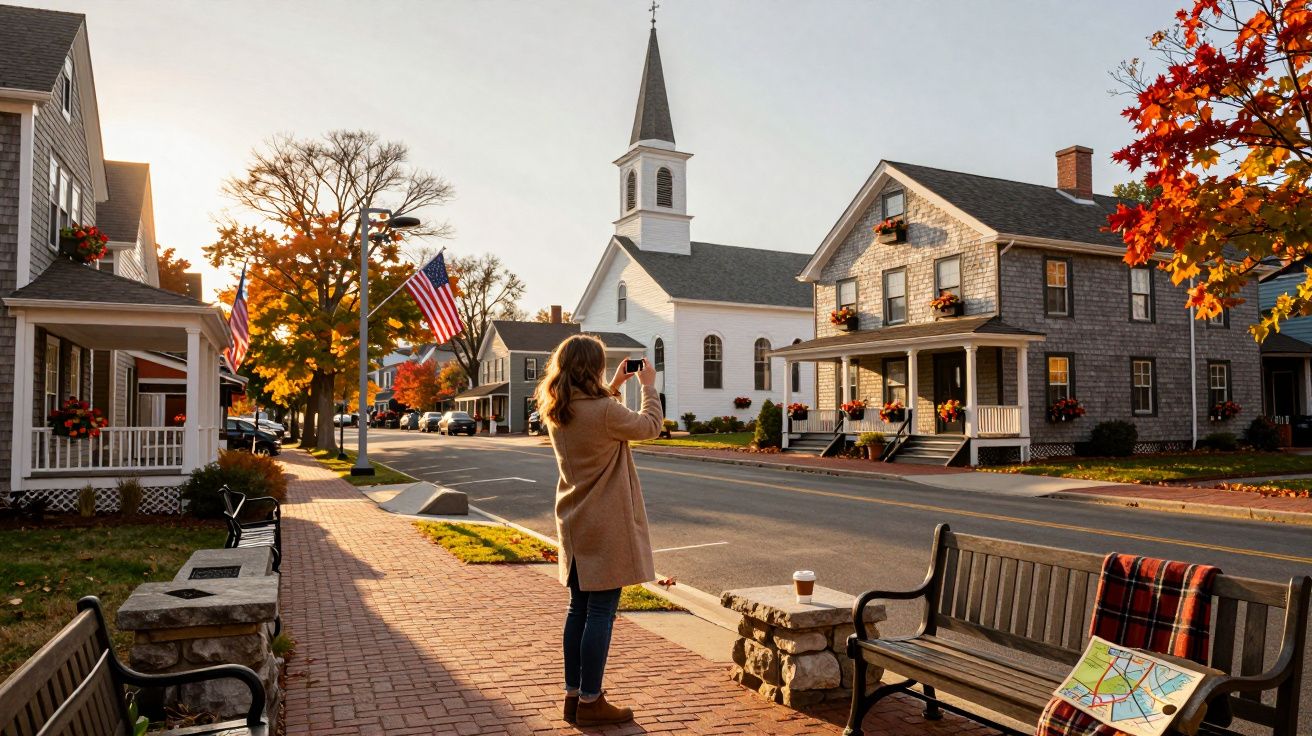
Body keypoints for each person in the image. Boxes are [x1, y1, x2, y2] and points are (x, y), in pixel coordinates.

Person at [534, 335, 662, 726]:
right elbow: (650, 426)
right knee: (602, 613)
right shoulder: (605, 411)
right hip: (605, 523)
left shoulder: (560, 409)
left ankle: (573, 697)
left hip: (574, 520)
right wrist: (648, 386)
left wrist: (617, 386)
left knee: (578, 609)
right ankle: (592, 702)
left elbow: (600, 411)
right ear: (593, 367)